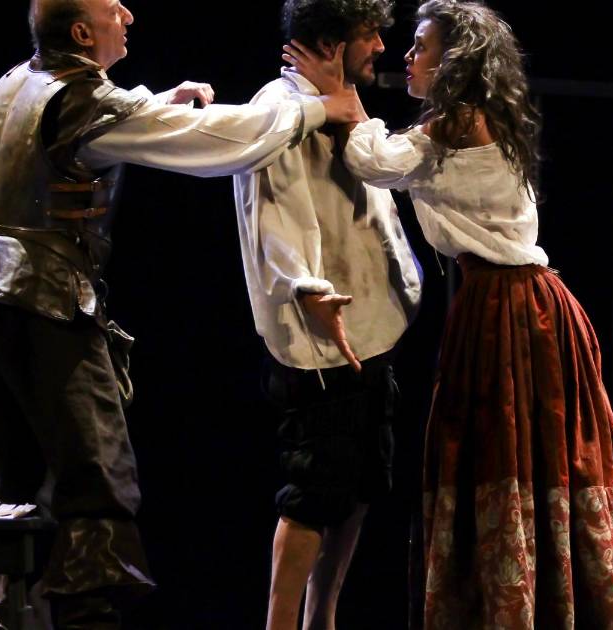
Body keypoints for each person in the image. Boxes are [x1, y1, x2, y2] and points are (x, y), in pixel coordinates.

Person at [0, 0, 362, 627]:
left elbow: (77, 138)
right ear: (83, 33)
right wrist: (316, 109)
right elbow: (219, 143)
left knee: (17, 489)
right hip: (41, 303)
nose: (128, 15)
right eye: (113, 9)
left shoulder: (18, 82)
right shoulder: (83, 102)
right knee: (96, 486)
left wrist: (159, 103)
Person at [284, 1, 613, 627]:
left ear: (455, 60)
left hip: (509, 308)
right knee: (521, 450)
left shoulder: (458, 120)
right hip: (523, 304)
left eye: (422, 46)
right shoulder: (477, 119)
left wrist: (340, 98)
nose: (408, 56)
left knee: (504, 450)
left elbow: (374, 163)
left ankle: (517, 607)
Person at [232, 1, 422, 628]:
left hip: (368, 329)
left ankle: (323, 615)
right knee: (313, 490)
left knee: (361, 482)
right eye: (371, 34)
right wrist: (307, 287)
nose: (382, 47)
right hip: (320, 337)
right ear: (334, 42)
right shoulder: (279, 107)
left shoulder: (345, 105)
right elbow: (272, 211)